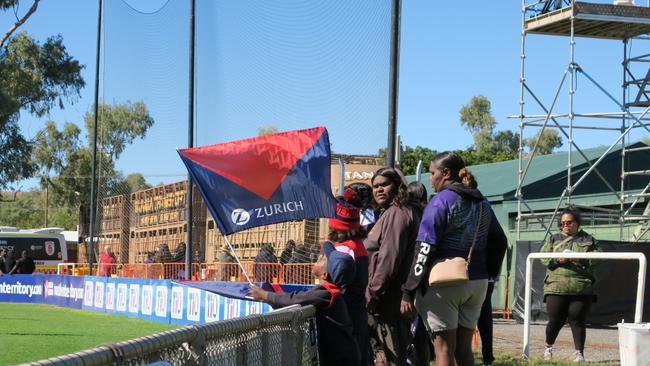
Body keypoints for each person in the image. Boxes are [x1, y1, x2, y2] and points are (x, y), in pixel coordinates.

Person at [401, 152, 508, 366]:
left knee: (443, 351)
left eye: (432, 173)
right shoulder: (483, 203)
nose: (430, 179)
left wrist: (408, 290)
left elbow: (424, 248)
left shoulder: (440, 201)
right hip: (477, 283)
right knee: (464, 350)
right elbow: (500, 240)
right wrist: (490, 277)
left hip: (444, 284)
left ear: (446, 173)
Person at [249, 241, 360, 365]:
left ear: (325, 274)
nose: (318, 258)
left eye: (322, 258)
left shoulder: (327, 293)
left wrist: (264, 295)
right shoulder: (330, 291)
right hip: (343, 354)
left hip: (342, 358)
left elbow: (294, 299)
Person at [364, 167, 423, 365]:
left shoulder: (397, 213)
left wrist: (374, 293)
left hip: (388, 301)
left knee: (389, 355)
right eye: (375, 186)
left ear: (398, 187)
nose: (379, 190)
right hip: (390, 298)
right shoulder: (392, 212)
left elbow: (389, 258)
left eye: (384, 185)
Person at [540, 205, 601, 363]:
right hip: (556, 286)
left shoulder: (589, 239)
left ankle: (579, 354)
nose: (565, 225)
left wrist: (580, 258)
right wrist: (557, 259)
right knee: (555, 321)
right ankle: (548, 347)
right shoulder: (553, 238)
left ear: (577, 223)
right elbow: (543, 257)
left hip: (581, 287)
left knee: (577, 320)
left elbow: (599, 257)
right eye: (562, 223)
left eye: (568, 222)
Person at [328, 187, 370, 365]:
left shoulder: (344, 249)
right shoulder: (359, 244)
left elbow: (335, 284)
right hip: (358, 311)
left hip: (346, 313)